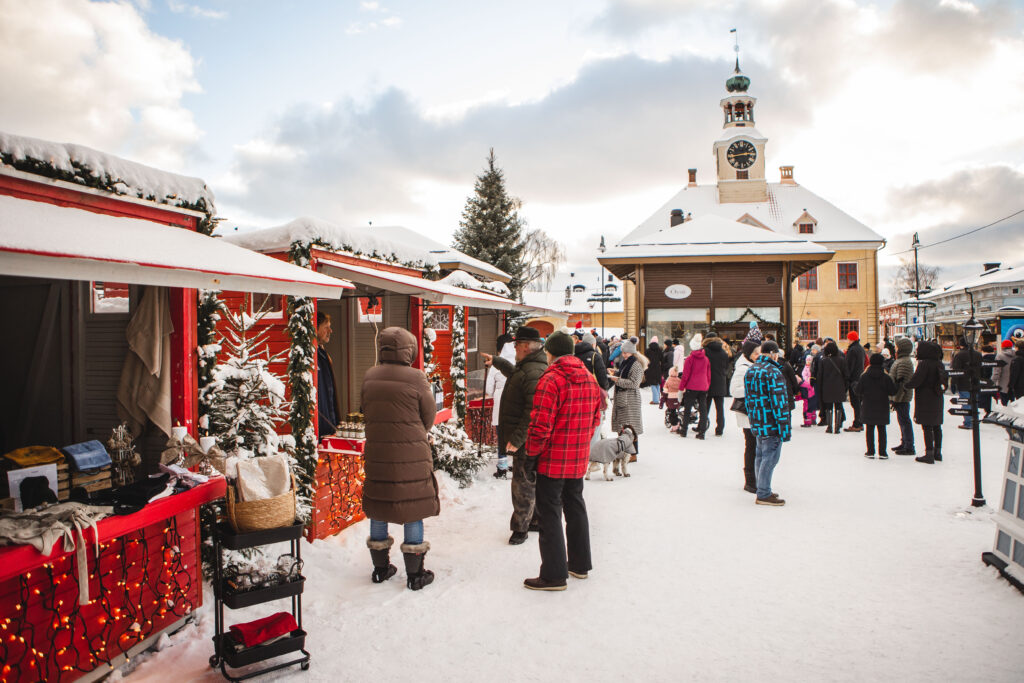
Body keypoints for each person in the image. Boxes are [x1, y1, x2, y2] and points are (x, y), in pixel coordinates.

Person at [521, 331, 604, 591]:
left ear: (550, 352)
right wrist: (580, 444)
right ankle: (579, 564)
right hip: (577, 457)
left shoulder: (552, 379)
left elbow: (540, 425)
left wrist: (531, 454)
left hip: (552, 459)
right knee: (576, 508)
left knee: (549, 514)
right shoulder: (590, 380)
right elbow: (595, 419)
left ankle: (554, 574)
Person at [361, 327, 438, 590]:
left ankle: (380, 569)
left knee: (379, 503)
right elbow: (429, 416)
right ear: (409, 349)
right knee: (412, 506)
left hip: (378, 452)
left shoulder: (370, 376)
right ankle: (416, 574)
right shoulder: (417, 378)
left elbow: (365, 410)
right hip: (411, 454)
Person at [482, 326, 548, 544]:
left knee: (522, 484)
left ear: (526, 347)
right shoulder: (528, 367)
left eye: (517, 345)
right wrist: (497, 361)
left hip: (526, 440)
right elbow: (515, 374)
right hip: (526, 438)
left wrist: (517, 438)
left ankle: (521, 528)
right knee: (529, 480)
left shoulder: (533, 372)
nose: (514, 348)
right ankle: (535, 520)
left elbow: (532, 411)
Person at [744, 341, 792, 506]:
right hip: (771, 422)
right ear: (773, 353)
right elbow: (779, 403)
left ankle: (762, 488)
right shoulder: (773, 372)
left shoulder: (751, 370)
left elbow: (749, 399)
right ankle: (763, 493)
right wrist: (784, 428)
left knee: (760, 456)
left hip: (757, 421)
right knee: (770, 458)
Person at [906, 340, 948, 464]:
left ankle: (929, 453)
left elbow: (917, 380)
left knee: (927, 426)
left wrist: (906, 385)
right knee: (937, 426)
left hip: (925, 398)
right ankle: (937, 452)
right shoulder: (939, 364)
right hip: (937, 397)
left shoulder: (924, 364)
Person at [730, 341, 759, 493]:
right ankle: (750, 480)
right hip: (747, 413)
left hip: (755, 412)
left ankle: (755, 478)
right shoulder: (742, 368)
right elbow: (734, 390)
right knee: (752, 446)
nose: (758, 356)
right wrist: (754, 390)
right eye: (755, 353)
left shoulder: (752, 366)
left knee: (755, 446)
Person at [856, 353, 897, 459]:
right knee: (882, 429)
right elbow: (892, 391)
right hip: (882, 405)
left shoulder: (865, 376)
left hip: (868, 405)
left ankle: (870, 451)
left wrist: (854, 385)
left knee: (869, 429)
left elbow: (858, 391)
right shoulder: (885, 377)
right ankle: (882, 452)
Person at [486, 334, 516, 477]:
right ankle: (515, 463)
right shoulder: (519, 363)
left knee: (502, 435)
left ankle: (502, 466)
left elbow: (488, 389)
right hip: (516, 401)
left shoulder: (496, 366)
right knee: (516, 434)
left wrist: (495, 392)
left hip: (500, 400)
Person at [608, 339, 644, 454]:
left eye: (625, 353)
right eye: (623, 353)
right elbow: (625, 375)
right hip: (624, 399)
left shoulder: (636, 365)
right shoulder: (627, 362)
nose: (623, 355)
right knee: (624, 427)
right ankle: (625, 451)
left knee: (630, 428)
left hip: (630, 400)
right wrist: (616, 372)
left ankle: (632, 453)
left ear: (632, 352)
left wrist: (617, 380)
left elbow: (634, 383)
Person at [678, 334, 711, 439]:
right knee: (703, 409)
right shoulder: (706, 359)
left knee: (687, 409)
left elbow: (686, 375)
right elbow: (708, 374)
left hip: (691, 387)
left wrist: (681, 387)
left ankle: (684, 430)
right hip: (703, 387)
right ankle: (702, 432)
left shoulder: (689, 359)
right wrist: (707, 385)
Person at [315, 312, 341, 439]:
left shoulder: (323, 354)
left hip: (328, 427)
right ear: (315, 327)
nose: (330, 330)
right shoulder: (311, 356)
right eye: (326, 327)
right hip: (319, 429)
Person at [889, 337, 916, 455]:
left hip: (902, 397)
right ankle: (904, 442)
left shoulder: (904, 362)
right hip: (900, 396)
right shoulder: (901, 360)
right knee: (902, 420)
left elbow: (902, 383)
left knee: (904, 420)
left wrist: (896, 399)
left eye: (897, 346)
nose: (895, 348)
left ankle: (909, 445)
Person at [703, 333, 732, 436]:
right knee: (720, 408)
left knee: (705, 407)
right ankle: (720, 429)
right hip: (720, 382)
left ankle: (702, 426)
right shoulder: (723, 353)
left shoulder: (705, 351)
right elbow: (725, 367)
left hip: (708, 382)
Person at [950, 336, 981, 430]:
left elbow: (956, 371)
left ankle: (968, 422)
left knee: (966, 402)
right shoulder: (978, 354)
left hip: (964, 384)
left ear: (961, 344)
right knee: (974, 402)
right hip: (976, 383)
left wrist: (953, 383)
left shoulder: (959, 355)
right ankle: (975, 420)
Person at [819, 341, 849, 434]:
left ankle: (829, 426)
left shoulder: (823, 361)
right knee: (839, 406)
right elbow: (846, 375)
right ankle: (837, 427)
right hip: (839, 387)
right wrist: (845, 387)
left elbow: (820, 376)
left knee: (829, 407)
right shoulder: (842, 360)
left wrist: (820, 388)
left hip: (827, 387)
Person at [844, 331, 866, 432]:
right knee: (858, 401)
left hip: (853, 379)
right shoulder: (860, 348)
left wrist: (847, 378)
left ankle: (857, 423)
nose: (847, 340)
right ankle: (859, 421)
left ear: (851, 339)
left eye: (848, 338)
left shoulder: (852, 350)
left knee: (855, 402)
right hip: (859, 377)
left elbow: (849, 366)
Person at [993, 339, 1016, 405]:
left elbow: (997, 371)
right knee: (1014, 403)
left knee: (1005, 403)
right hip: (1015, 383)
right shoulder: (1016, 355)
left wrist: (993, 381)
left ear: (1002, 346)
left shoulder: (1000, 356)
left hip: (1003, 383)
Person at [798, 355, 817, 427]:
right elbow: (803, 374)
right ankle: (812, 419)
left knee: (808, 407)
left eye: (809, 360)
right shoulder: (805, 367)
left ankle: (809, 421)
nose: (808, 362)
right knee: (811, 406)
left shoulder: (812, 368)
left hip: (809, 387)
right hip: (809, 387)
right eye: (807, 360)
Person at [644, 339, 664, 405]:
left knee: (652, 384)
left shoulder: (647, 351)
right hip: (658, 368)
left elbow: (645, 360)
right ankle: (658, 398)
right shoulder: (660, 350)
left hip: (650, 368)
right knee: (658, 383)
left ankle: (655, 400)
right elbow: (662, 359)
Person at [980, 344, 996, 418]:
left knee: (986, 398)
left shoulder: (984, 360)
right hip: (996, 382)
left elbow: (983, 372)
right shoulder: (997, 358)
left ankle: (988, 412)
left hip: (986, 382)